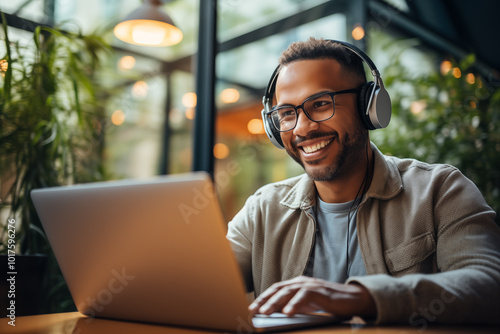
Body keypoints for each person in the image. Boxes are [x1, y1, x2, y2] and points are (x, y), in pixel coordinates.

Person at [226, 37, 500, 326]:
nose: (302, 128)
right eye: (286, 114)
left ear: (368, 106)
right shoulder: (262, 209)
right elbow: (201, 283)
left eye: (320, 104)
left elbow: (489, 284)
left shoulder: (439, 190)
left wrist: (360, 298)